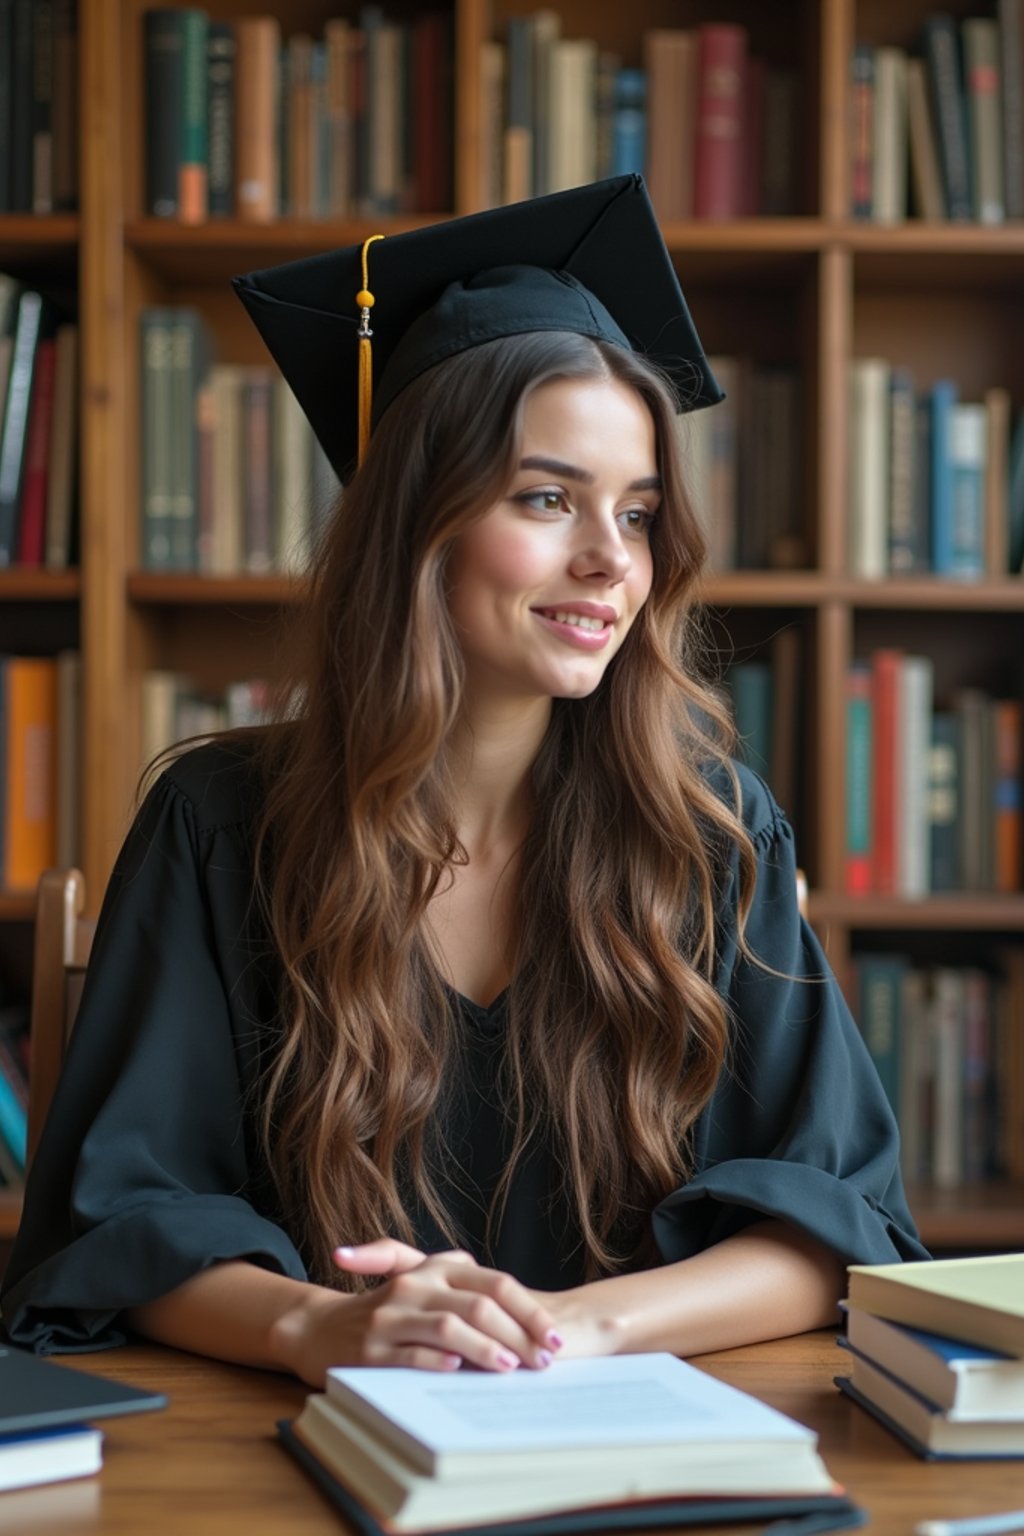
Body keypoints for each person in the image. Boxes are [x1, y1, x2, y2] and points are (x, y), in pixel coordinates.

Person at [1, 177, 927, 1388]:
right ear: (417, 524)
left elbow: (834, 1226)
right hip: (298, 1455)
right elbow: (119, 1226)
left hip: (639, 1454)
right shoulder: (222, 828)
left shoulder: (708, 836)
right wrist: (321, 1325)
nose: (609, 559)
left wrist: (560, 1326)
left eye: (638, 513)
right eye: (546, 498)